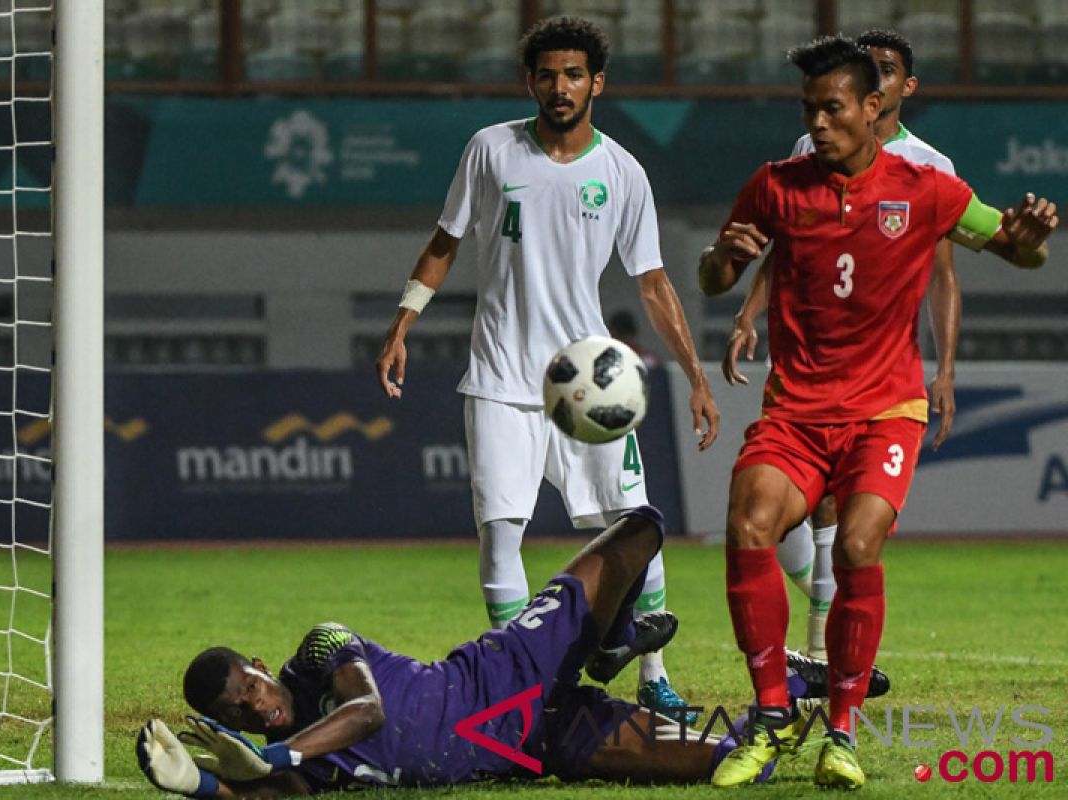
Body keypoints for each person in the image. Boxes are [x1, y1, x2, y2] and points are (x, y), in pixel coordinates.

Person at [699, 35, 1056, 789]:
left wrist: (1029, 245)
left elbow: (1011, 247)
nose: (818, 124)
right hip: (796, 409)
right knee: (749, 523)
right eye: (809, 111)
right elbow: (715, 272)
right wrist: (720, 262)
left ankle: (843, 731)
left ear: (872, 107)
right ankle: (769, 715)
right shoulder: (775, 185)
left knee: (858, 543)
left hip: (885, 409)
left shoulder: (925, 186)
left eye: (831, 110)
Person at [374, 15, 718, 719]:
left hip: (588, 378)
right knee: (502, 530)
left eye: (573, 75)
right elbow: (445, 240)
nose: (560, 87)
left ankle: (653, 674)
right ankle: (514, 692)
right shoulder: (490, 151)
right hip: (500, 378)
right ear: (529, 81)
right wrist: (403, 322)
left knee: (633, 525)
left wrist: (696, 376)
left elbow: (652, 282)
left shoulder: (622, 171)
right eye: (547, 74)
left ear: (597, 82)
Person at [136, 506, 848, 797]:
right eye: (243, 710)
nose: (257, 706)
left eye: (251, 686)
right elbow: (264, 793)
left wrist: (280, 754)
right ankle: (791, 699)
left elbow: (369, 712)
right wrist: (200, 785)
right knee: (731, 768)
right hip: (540, 740)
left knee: (641, 529)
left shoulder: (319, 650)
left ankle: (605, 648)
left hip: (510, 666)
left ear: (261, 665)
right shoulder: (297, 764)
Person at [724, 29, 962, 662]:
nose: (876, 80)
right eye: (871, 68)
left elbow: (943, 274)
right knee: (784, 517)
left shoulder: (930, 169)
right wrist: (750, 309)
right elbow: (792, 239)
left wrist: (944, 368)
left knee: (843, 518)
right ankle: (817, 655)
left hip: (877, 374)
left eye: (888, 71)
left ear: (897, 91)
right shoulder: (813, 145)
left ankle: (824, 660)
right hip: (808, 366)